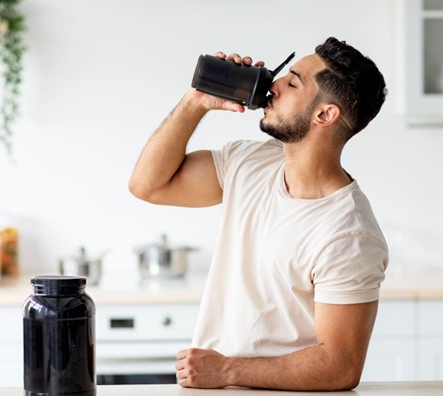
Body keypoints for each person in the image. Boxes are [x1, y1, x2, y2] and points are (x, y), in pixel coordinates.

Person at [129, 37, 388, 391]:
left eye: (293, 82)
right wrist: (196, 102)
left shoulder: (350, 234)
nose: (274, 84)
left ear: (324, 115)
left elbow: (339, 367)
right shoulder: (250, 163)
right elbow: (148, 186)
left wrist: (227, 371)